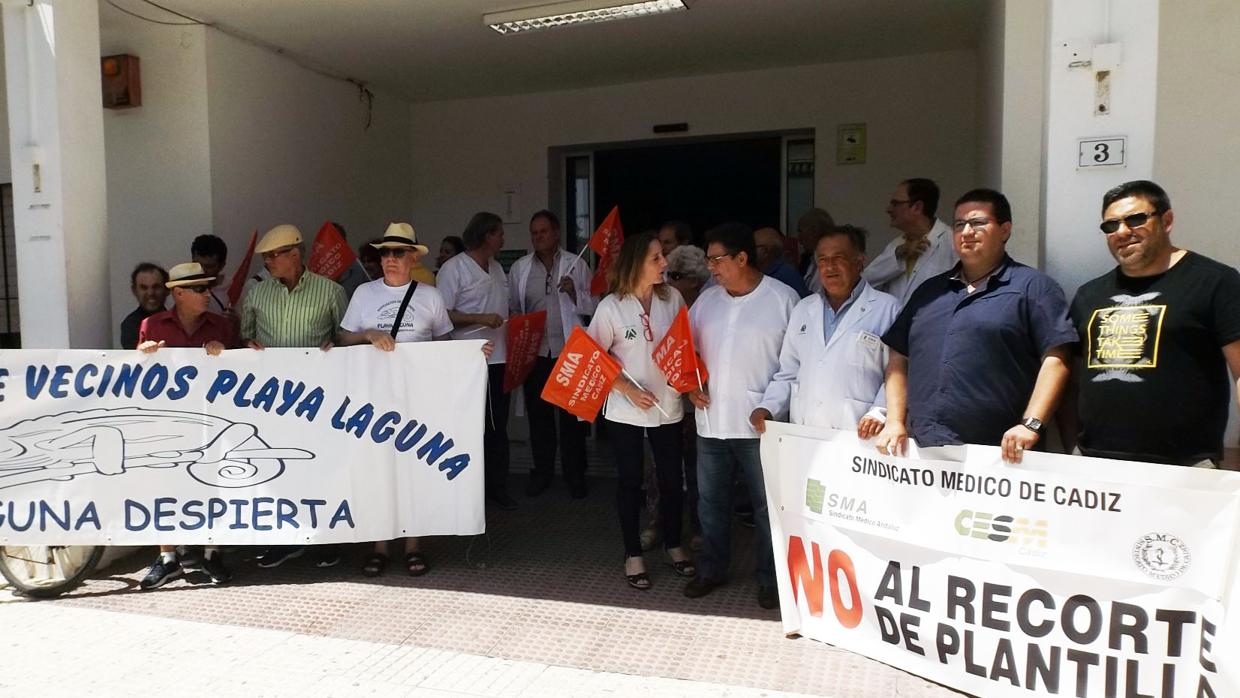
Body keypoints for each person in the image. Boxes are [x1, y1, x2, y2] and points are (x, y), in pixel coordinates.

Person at [874, 189, 1078, 464]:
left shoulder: (1034, 288)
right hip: (921, 451)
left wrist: (1031, 424)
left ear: (1005, 230)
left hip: (1000, 456)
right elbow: (898, 356)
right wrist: (894, 421)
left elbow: (1056, 359)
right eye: (959, 224)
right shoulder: (929, 292)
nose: (966, 232)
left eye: (978, 223)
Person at [1066, 180, 1240, 467]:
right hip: (1093, 464)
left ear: (1167, 220)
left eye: (1135, 219)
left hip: (1185, 469)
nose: (1122, 232)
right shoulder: (1089, 294)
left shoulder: (1216, 282)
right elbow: (1070, 377)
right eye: (1111, 226)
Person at [683, 223, 799, 609]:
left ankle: (770, 577)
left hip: (760, 424)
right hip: (712, 421)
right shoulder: (706, 301)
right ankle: (712, 568)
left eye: (716, 260)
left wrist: (771, 405)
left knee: (767, 506)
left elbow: (792, 365)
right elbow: (686, 353)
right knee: (710, 502)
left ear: (742, 258)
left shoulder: (783, 300)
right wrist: (687, 384)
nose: (711, 268)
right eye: (708, 260)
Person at [338, 223, 456, 577]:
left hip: (416, 399)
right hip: (373, 400)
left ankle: (413, 544)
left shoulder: (430, 297)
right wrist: (368, 334)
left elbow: (447, 346)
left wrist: (473, 354)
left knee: (413, 472)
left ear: (411, 258)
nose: (389, 258)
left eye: (397, 252)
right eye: (385, 252)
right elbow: (343, 338)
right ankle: (379, 545)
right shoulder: (363, 294)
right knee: (378, 473)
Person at [587, 232, 695, 590]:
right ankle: (633, 553)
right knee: (630, 480)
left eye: (663, 257)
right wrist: (628, 390)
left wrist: (691, 384)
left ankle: (674, 544)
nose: (665, 263)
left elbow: (685, 348)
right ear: (636, 263)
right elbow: (593, 357)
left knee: (669, 478)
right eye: (656, 258)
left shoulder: (672, 298)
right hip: (625, 409)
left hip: (667, 405)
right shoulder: (611, 307)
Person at [241, 224, 348, 568]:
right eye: (266, 257)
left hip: (317, 400)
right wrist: (247, 347)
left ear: (294, 254)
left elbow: (345, 339)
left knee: (320, 467)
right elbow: (243, 338)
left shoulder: (330, 292)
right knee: (277, 469)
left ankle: (325, 539)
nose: (268, 262)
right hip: (270, 402)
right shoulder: (257, 294)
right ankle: (284, 540)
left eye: (274, 255)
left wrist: (338, 347)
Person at [135, 262, 238, 589]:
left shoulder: (221, 326)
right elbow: (135, 373)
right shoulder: (151, 325)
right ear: (178, 293)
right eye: (199, 289)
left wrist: (226, 353)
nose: (207, 294)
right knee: (164, 487)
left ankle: (212, 553)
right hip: (167, 423)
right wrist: (144, 353)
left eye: (207, 287)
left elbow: (242, 369)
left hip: (213, 420)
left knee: (213, 484)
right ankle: (167, 558)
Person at [752, 225, 899, 433]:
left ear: (859, 261)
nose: (830, 267)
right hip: (807, 433)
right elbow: (789, 371)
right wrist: (768, 406)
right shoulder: (803, 309)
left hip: (860, 433)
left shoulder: (888, 308)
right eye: (822, 260)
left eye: (838, 258)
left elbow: (897, 374)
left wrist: (879, 411)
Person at [508, 210, 596, 498]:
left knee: (572, 419)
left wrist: (574, 294)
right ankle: (542, 472)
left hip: (568, 352)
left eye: (543, 231)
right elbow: (514, 310)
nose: (538, 237)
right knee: (539, 416)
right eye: (534, 233)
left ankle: (575, 475)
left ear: (556, 233)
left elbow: (594, 307)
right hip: (537, 353)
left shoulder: (576, 264)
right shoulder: (520, 268)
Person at [437, 212, 515, 510]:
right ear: (486, 235)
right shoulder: (454, 269)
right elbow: (442, 315)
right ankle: (468, 490)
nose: (503, 239)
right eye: (499, 233)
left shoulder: (496, 268)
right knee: (471, 427)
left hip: (499, 358)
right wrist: (479, 318)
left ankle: (497, 486)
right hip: (468, 360)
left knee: (499, 426)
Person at [862, 178, 958, 307]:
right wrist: (899, 254)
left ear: (917, 207)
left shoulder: (951, 242)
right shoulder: (896, 246)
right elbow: (864, 283)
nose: (888, 209)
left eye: (895, 203)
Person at [120, 263, 169, 350]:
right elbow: (133, 360)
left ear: (167, 290)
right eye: (144, 288)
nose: (150, 293)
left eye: (156, 287)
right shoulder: (130, 325)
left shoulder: (180, 322)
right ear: (134, 291)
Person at [754, 226, 808, 296]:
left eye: (752, 246)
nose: (748, 250)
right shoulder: (761, 272)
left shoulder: (787, 276)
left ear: (765, 251)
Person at [796, 208, 835, 295]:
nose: (799, 238)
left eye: (800, 231)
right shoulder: (807, 261)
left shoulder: (834, 263)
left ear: (814, 232)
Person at [191, 234, 231, 313]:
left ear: (222, 266)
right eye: (197, 265)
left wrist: (237, 323)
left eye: (209, 267)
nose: (201, 271)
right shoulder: (183, 288)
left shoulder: (232, 288)